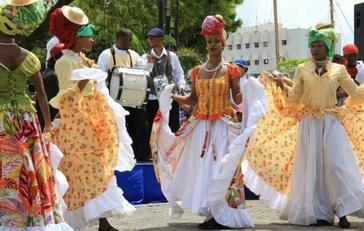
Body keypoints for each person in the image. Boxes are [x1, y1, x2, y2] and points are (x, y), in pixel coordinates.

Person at [241, 25, 364, 228]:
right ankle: (317, 213)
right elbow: (292, 99)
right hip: (309, 125)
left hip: (331, 122)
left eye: (318, 45)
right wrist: (280, 85)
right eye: (312, 45)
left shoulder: (339, 70)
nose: (314, 49)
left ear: (327, 47)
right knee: (312, 169)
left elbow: (357, 95)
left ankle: (342, 211)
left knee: (336, 166)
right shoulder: (302, 69)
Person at [150, 15, 267, 230]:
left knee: (221, 168)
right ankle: (211, 213)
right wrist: (171, 96)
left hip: (223, 125)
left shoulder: (231, 70)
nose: (212, 45)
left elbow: (237, 98)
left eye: (216, 40)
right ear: (206, 44)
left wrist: (255, 88)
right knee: (204, 170)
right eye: (209, 41)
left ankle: (221, 213)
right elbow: (193, 100)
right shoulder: (197, 71)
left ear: (223, 43)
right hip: (201, 127)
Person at [48, 6, 135, 230]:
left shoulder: (84, 59)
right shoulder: (64, 62)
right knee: (82, 172)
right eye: (88, 35)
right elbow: (65, 100)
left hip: (93, 121)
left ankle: (104, 223)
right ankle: (87, 222)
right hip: (77, 125)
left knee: (100, 168)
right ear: (76, 37)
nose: (93, 39)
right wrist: (83, 82)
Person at [0, 0, 71, 230]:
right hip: (26, 118)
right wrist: (48, 123)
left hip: (2, 118)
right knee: (29, 165)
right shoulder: (28, 57)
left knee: (6, 168)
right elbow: (41, 93)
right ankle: (32, 213)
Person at [97, 28, 150, 162]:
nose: (130, 43)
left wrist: (150, 62)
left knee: (139, 127)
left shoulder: (134, 55)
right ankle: (116, 159)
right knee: (117, 131)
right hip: (114, 102)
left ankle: (142, 156)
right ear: (120, 39)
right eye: (128, 40)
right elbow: (100, 77)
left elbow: (145, 72)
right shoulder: (106, 55)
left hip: (133, 100)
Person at [141, 27, 185, 143]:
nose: (149, 40)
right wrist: (149, 64)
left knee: (173, 126)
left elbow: (179, 74)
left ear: (160, 39)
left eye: (152, 38)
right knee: (153, 127)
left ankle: (173, 152)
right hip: (153, 98)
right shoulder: (144, 58)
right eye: (149, 38)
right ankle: (154, 153)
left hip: (170, 98)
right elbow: (143, 75)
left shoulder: (172, 56)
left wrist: (181, 85)